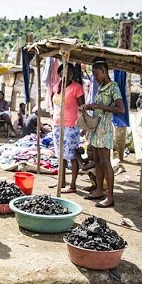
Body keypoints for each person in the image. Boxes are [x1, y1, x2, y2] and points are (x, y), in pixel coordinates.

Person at [82, 58, 125, 208]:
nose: (94, 77)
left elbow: (121, 109)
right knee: (99, 162)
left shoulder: (113, 87)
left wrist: (99, 106)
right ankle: (99, 190)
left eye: (96, 74)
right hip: (97, 128)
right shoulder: (101, 87)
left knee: (106, 163)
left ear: (104, 71)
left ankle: (110, 197)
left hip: (105, 128)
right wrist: (91, 107)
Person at [52, 62, 85, 193]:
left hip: (71, 126)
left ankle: (72, 185)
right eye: (66, 71)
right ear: (60, 73)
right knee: (60, 155)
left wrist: (83, 126)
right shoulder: (56, 87)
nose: (69, 74)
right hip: (57, 125)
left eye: (71, 72)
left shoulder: (77, 88)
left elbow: (82, 107)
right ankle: (61, 181)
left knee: (72, 155)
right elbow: (53, 103)